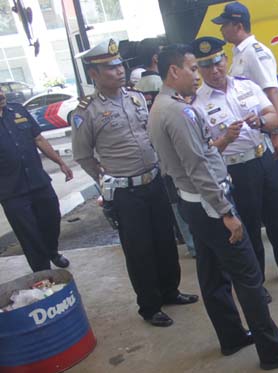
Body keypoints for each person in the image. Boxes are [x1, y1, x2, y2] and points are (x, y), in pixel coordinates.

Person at [147, 43, 278, 369]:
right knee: (249, 277)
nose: (197, 76)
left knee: (212, 277)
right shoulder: (178, 111)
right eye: (193, 68)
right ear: (174, 71)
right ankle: (273, 351)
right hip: (210, 206)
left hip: (194, 203)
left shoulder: (162, 107)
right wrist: (226, 212)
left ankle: (232, 336)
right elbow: (199, 167)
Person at [71, 39, 198, 327]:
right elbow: (83, 155)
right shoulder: (86, 111)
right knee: (139, 249)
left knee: (165, 240)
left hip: (153, 181)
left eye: (119, 66)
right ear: (93, 74)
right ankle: (150, 306)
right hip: (125, 192)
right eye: (110, 68)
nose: (118, 72)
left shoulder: (136, 98)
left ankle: (170, 290)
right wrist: (105, 179)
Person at [190, 37, 278, 301]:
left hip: (264, 159)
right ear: (199, 70)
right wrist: (225, 138)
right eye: (206, 67)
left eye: (217, 63)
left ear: (225, 60)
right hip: (236, 168)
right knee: (249, 227)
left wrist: (261, 121)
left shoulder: (246, 86)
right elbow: (204, 152)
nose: (214, 71)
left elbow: (273, 115)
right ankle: (256, 283)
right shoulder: (197, 105)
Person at [213, 1, 278, 236]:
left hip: (262, 131)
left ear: (237, 25)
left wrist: (275, 131)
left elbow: (270, 91)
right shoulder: (239, 54)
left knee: (277, 189)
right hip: (251, 131)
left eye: (224, 25)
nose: (221, 30)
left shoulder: (255, 53)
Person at [134, 37, 196, 258]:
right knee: (181, 189)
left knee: (173, 194)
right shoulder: (163, 89)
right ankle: (193, 242)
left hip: (154, 147)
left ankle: (189, 241)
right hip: (170, 143)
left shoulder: (136, 88)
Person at [0, 86, 72, 272]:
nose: (1, 94)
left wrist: (60, 162)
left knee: (52, 217)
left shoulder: (17, 110)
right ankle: (42, 270)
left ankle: (52, 251)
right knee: (28, 233)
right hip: (11, 190)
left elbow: (38, 139)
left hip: (38, 180)